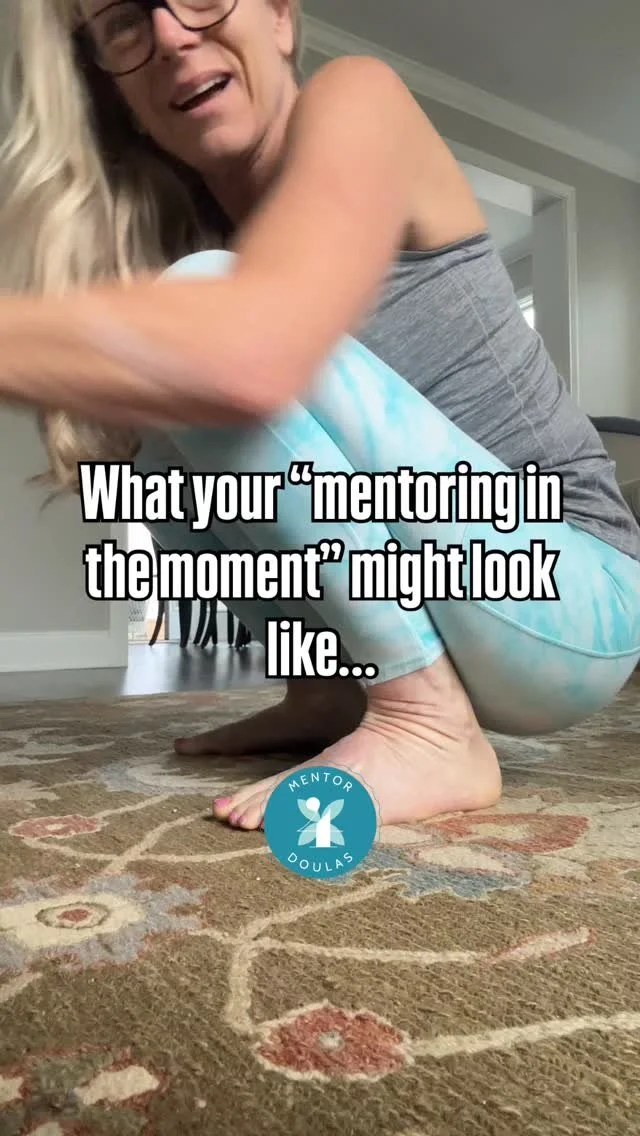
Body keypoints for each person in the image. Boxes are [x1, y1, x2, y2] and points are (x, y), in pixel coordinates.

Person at [1, 0, 639, 833]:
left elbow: (250, 355)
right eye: (125, 19)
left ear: (279, 17)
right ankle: (331, 691)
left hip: (576, 596)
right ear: (114, 86)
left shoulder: (359, 96)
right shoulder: (207, 237)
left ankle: (427, 723)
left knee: (211, 323)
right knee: (152, 443)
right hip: (467, 605)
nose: (170, 35)